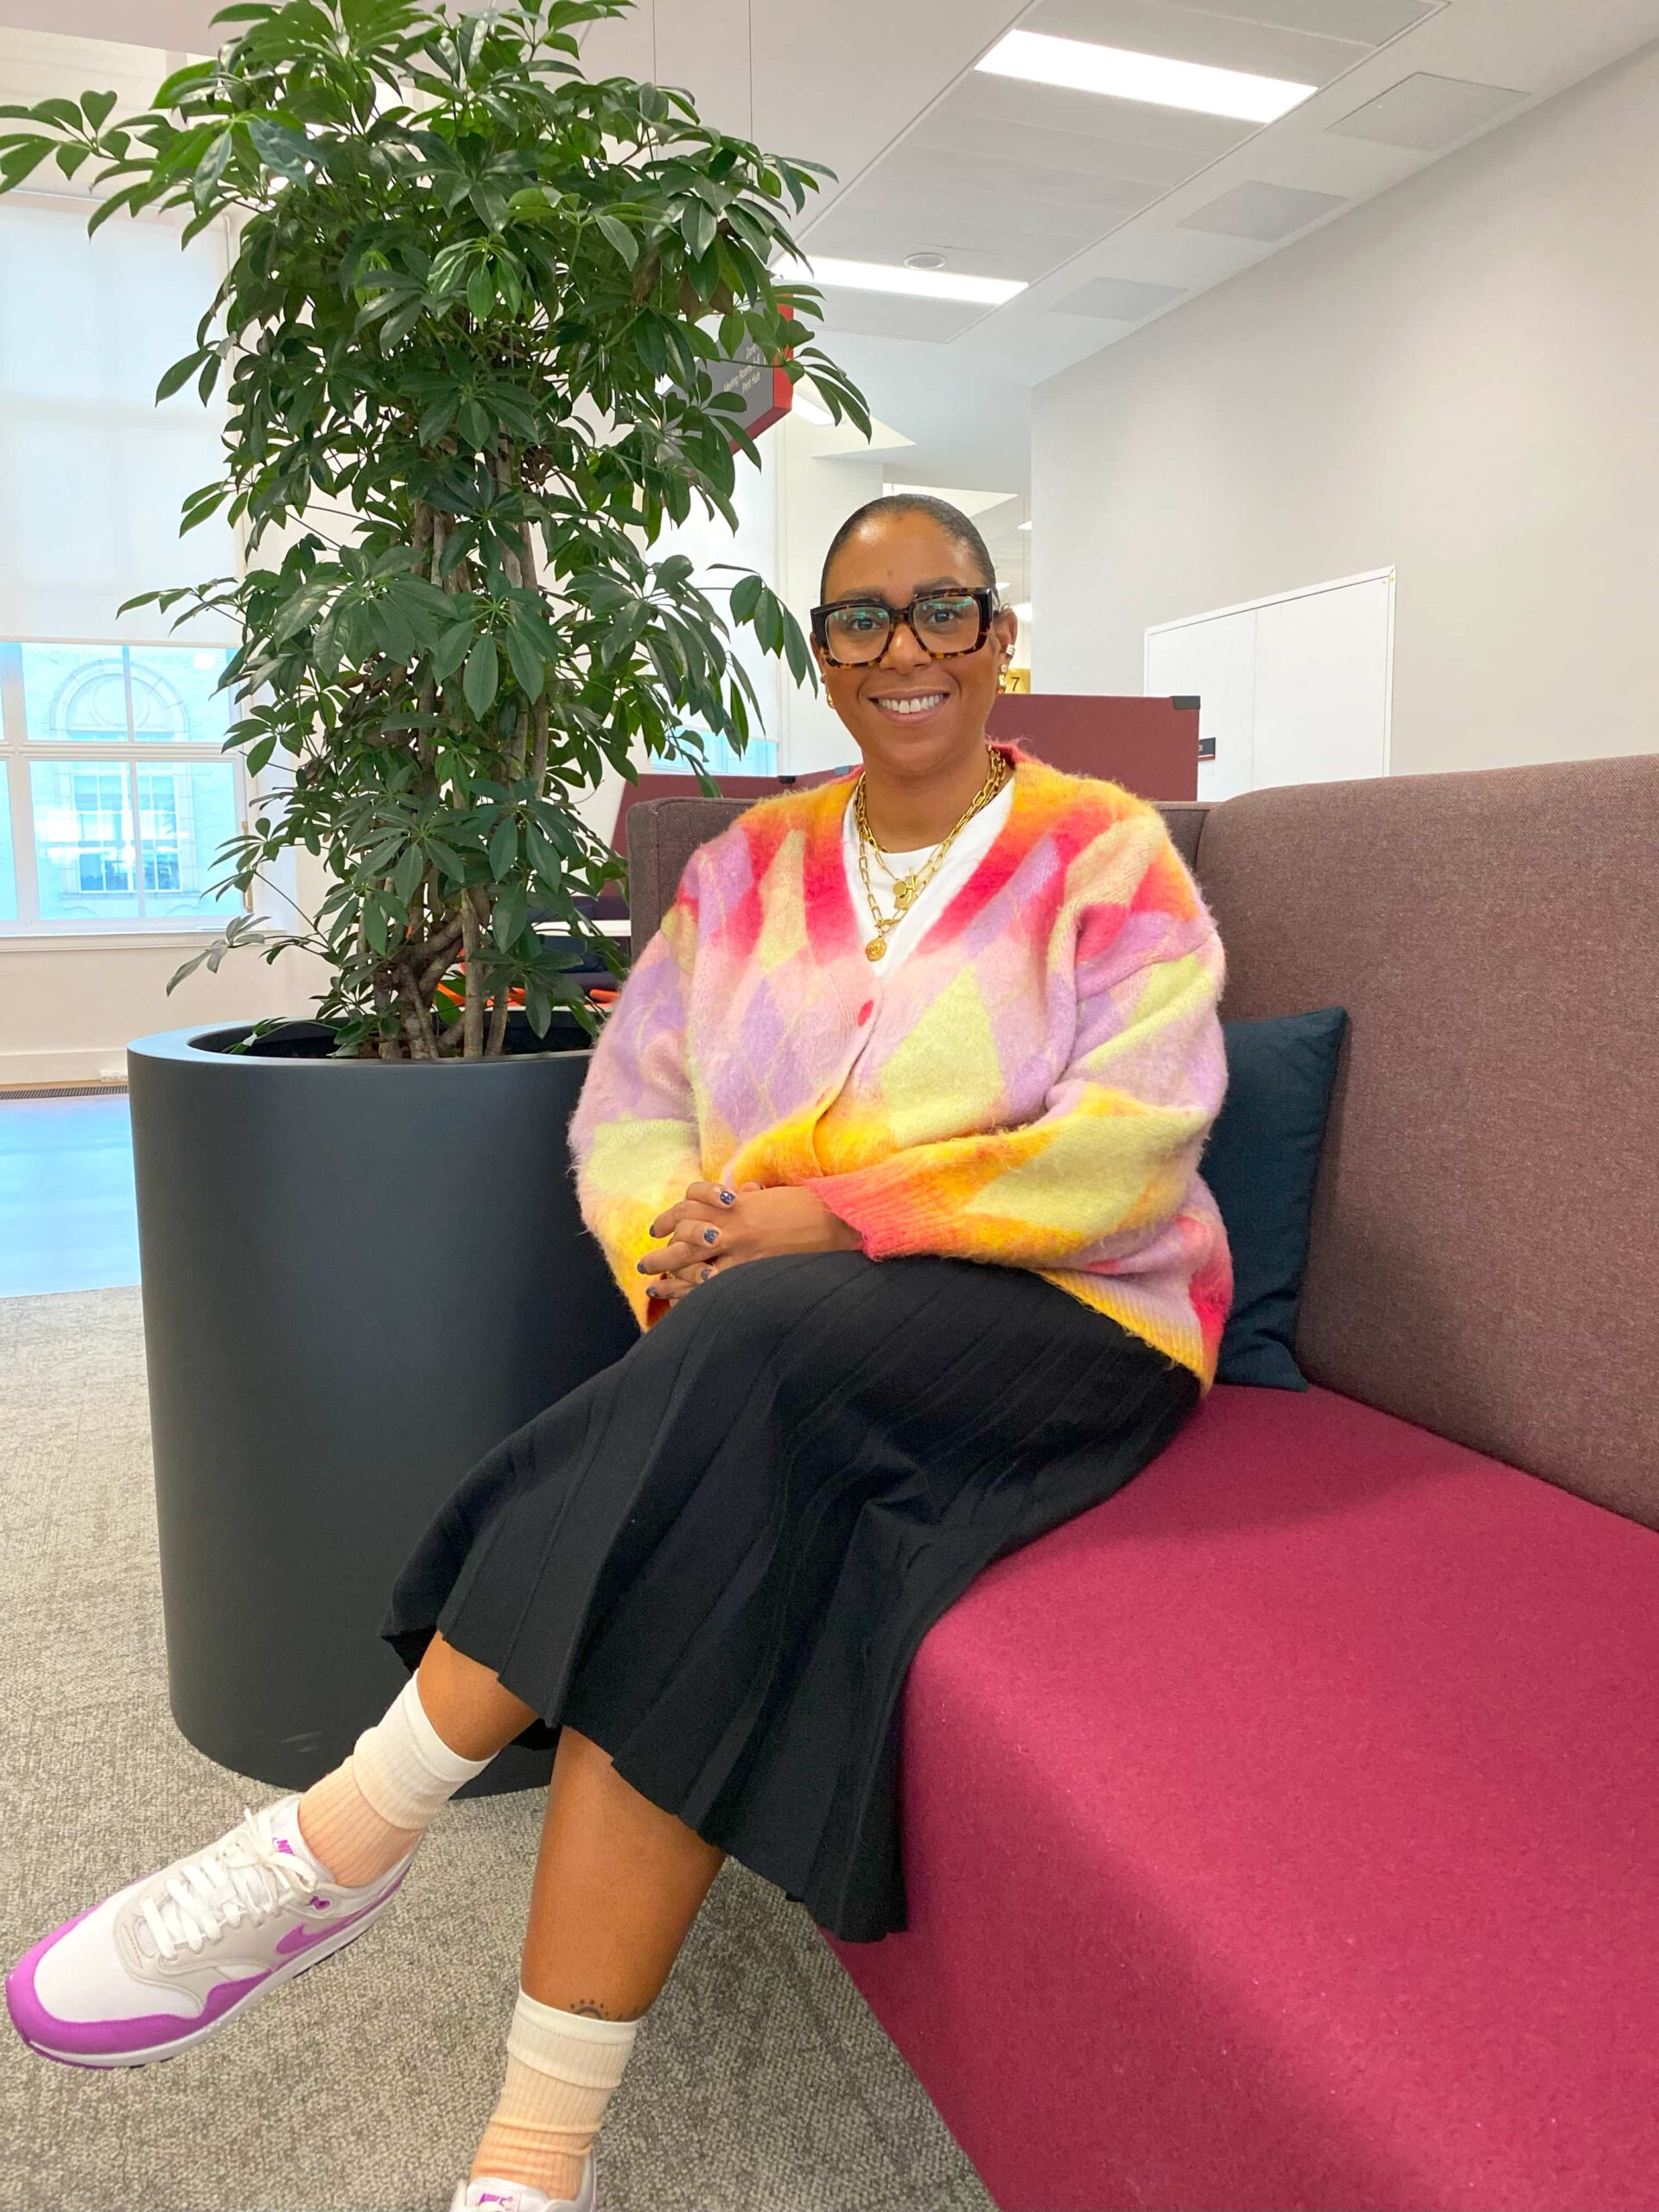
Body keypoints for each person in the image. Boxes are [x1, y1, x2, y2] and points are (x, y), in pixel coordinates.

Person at [6, 494, 1233, 2212]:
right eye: (862, 619)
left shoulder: (1105, 851)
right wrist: (678, 1237)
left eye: (941, 608)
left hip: (1075, 1311)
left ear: (999, 633)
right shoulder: (752, 868)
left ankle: (348, 1826)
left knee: (760, 1350)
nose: (903, 649)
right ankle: (533, 2163)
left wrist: (828, 1217)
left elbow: (1133, 1140)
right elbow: (636, 1104)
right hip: (791, 1335)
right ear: (824, 653)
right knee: (706, 1506)